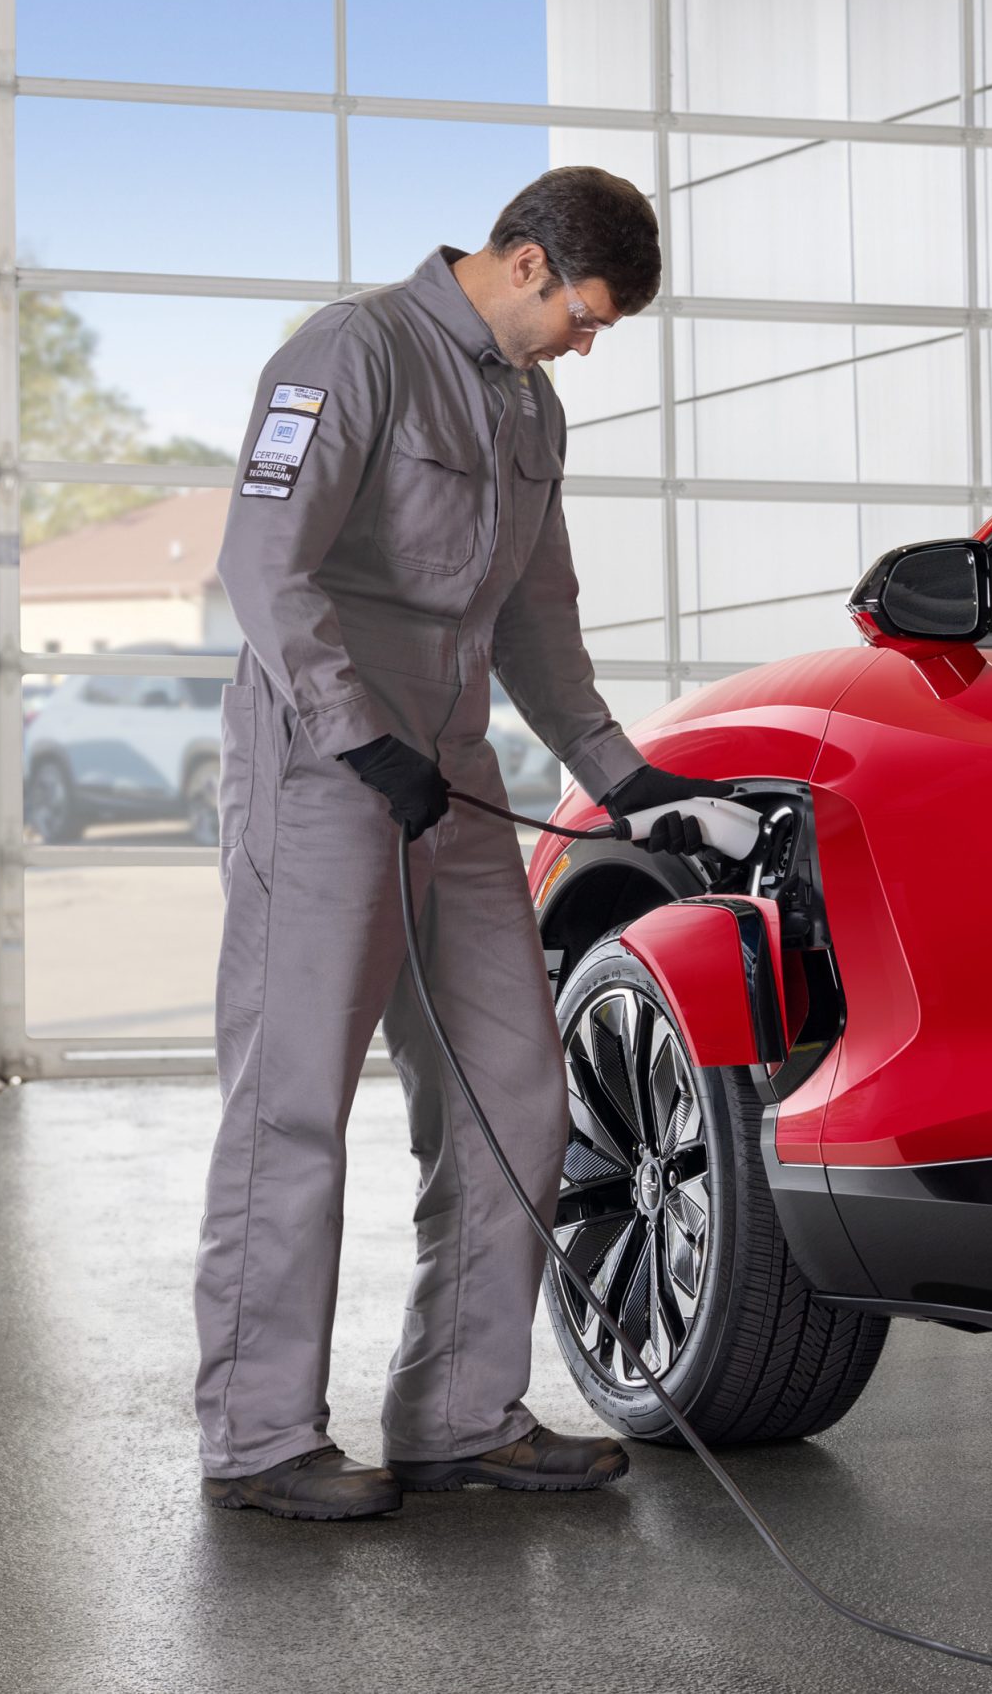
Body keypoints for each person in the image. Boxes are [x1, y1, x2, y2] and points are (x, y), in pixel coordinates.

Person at [195, 167, 737, 1520]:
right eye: (587, 316)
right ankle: (259, 1438)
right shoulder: (352, 353)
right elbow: (265, 562)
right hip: (322, 774)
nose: (588, 345)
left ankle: (458, 1412)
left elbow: (539, 621)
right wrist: (352, 731)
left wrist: (629, 780)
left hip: (451, 781)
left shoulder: (526, 406)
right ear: (526, 263)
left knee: (519, 1091)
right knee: (294, 1106)